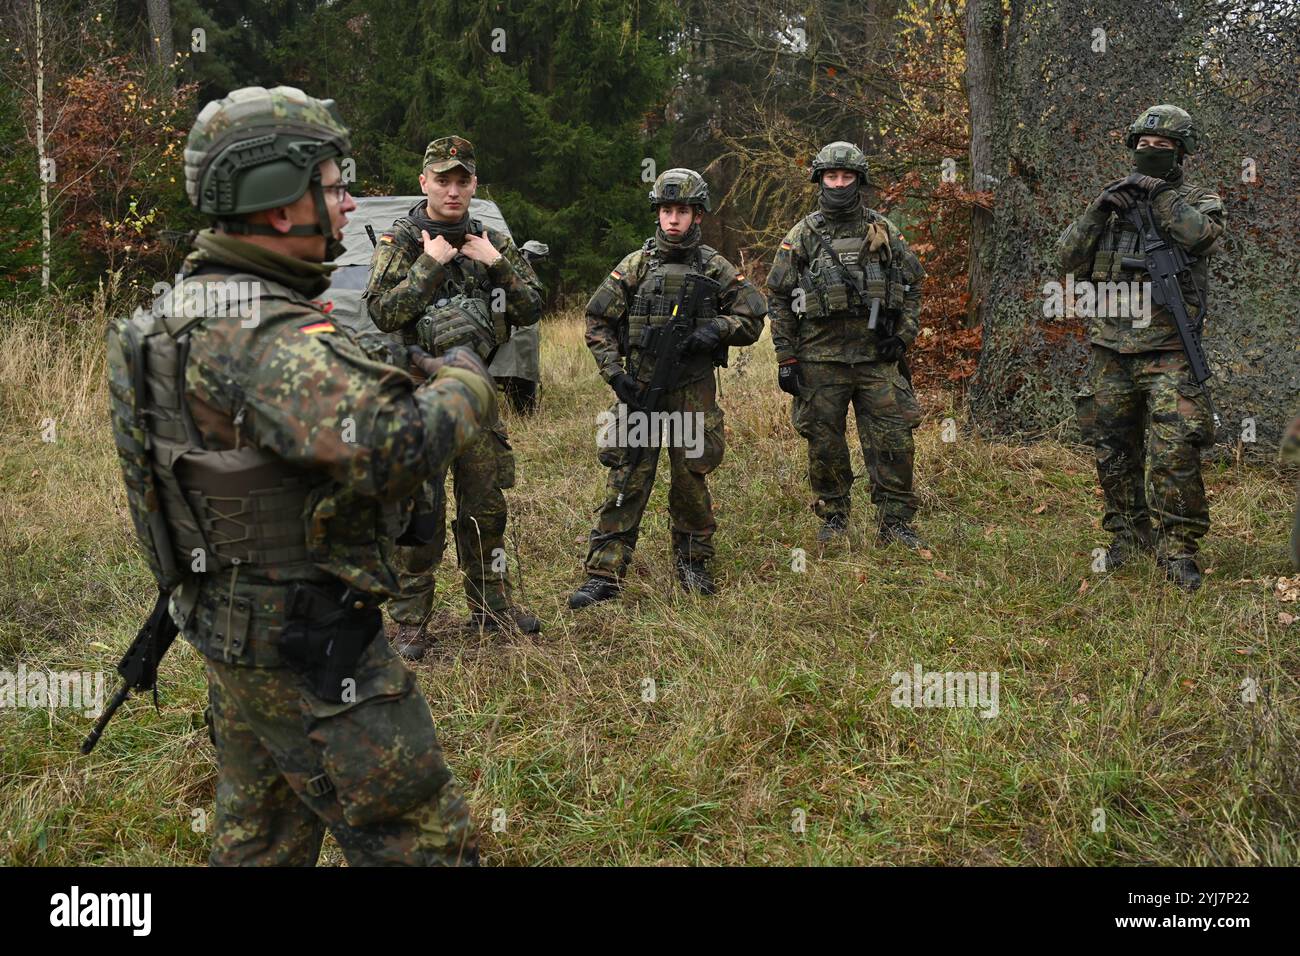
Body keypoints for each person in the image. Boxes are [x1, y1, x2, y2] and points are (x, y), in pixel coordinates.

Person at [109, 86, 493, 865]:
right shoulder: (261, 329)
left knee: (263, 838)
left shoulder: (170, 314)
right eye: (333, 184)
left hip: (227, 627)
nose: (349, 205)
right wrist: (465, 376)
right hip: (309, 644)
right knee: (422, 840)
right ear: (281, 203)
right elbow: (394, 449)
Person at [364, 136, 544, 656]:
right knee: (417, 518)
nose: (453, 189)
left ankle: (492, 612)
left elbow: (532, 306)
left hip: (476, 400)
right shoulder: (401, 240)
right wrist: (429, 265)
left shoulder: (489, 240)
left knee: (485, 511)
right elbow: (381, 312)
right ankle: (409, 624)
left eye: (462, 180)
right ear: (424, 182)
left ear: (473, 185)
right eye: (442, 179)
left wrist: (496, 264)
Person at [567, 168, 767, 607]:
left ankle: (693, 563)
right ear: (656, 214)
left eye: (681, 211)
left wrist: (716, 328)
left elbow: (753, 317)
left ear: (697, 214)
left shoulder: (715, 267)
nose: (672, 220)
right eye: (665, 211)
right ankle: (604, 572)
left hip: (692, 390)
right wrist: (615, 374)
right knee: (628, 475)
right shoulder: (636, 266)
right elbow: (598, 319)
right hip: (640, 388)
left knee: (690, 479)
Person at [1058, 105, 1225, 591]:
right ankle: (1128, 538)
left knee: (1175, 450)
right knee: (1112, 449)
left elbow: (1205, 238)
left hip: (1170, 347)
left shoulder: (1195, 198)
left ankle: (1178, 551)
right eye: (1144, 145)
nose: (1151, 152)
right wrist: (1099, 209)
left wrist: (1161, 200)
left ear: (1182, 152)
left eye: (1164, 146)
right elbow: (1066, 258)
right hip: (1110, 346)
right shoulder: (1111, 200)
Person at [765, 141, 927, 547]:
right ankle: (834, 516)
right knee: (825, 444)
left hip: (876, 359)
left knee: (893, 441)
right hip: (820, 358)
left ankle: (895, 522)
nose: (838, 184)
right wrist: (786, 357)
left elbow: (914, 284)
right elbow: (778, 297)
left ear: (860, 180)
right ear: (820, 180)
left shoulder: (884, 229)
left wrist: (903, 335)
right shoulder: (802, 235)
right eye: (831, 177)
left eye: (846, 177)